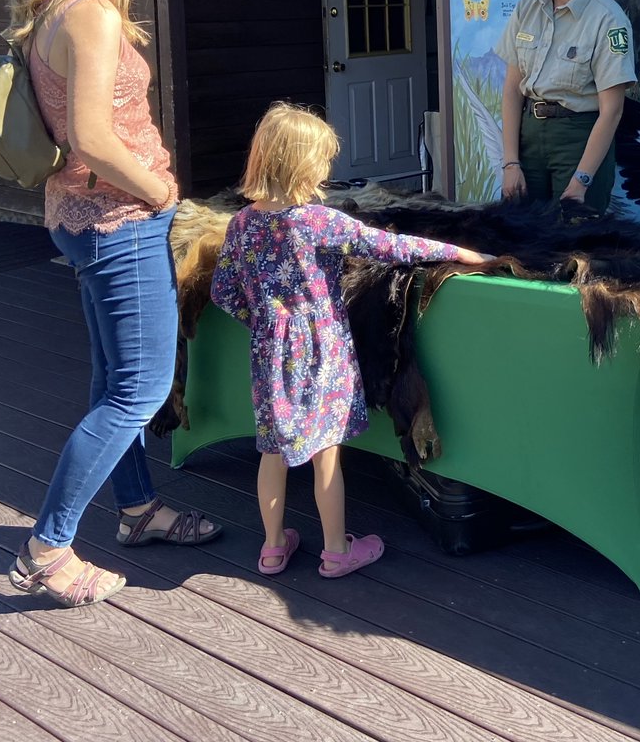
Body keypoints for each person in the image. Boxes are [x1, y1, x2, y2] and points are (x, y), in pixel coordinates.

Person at [5, 0, 221, 609]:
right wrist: (162, 192)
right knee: (139, 389)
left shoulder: (51, 11)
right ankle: (47, 548)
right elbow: (93, 138)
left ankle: (137, 511)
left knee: (111, 381)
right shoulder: (91, 15)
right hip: (119, 222)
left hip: (76, 219)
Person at [210, 101, 492, 579]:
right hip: (324, 355)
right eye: (322, 159)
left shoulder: (241, 225)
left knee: (272, 452)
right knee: (327, 456)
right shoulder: (321, 222)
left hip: (270, 355)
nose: (326, 168)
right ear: (304, 165)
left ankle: (274, 548)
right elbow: (394, 247)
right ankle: (337, 550)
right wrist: (459, 252)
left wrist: (266, 324)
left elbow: (223, 291)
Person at [495, 0, 636, 214]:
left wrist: (582, 181)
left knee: (576, 248)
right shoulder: (527, 6)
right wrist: (510, 162)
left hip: (578, 142)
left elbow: (612, 111)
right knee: (524, 240)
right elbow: (511, 90)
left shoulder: (607, 19)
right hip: (528, 140)